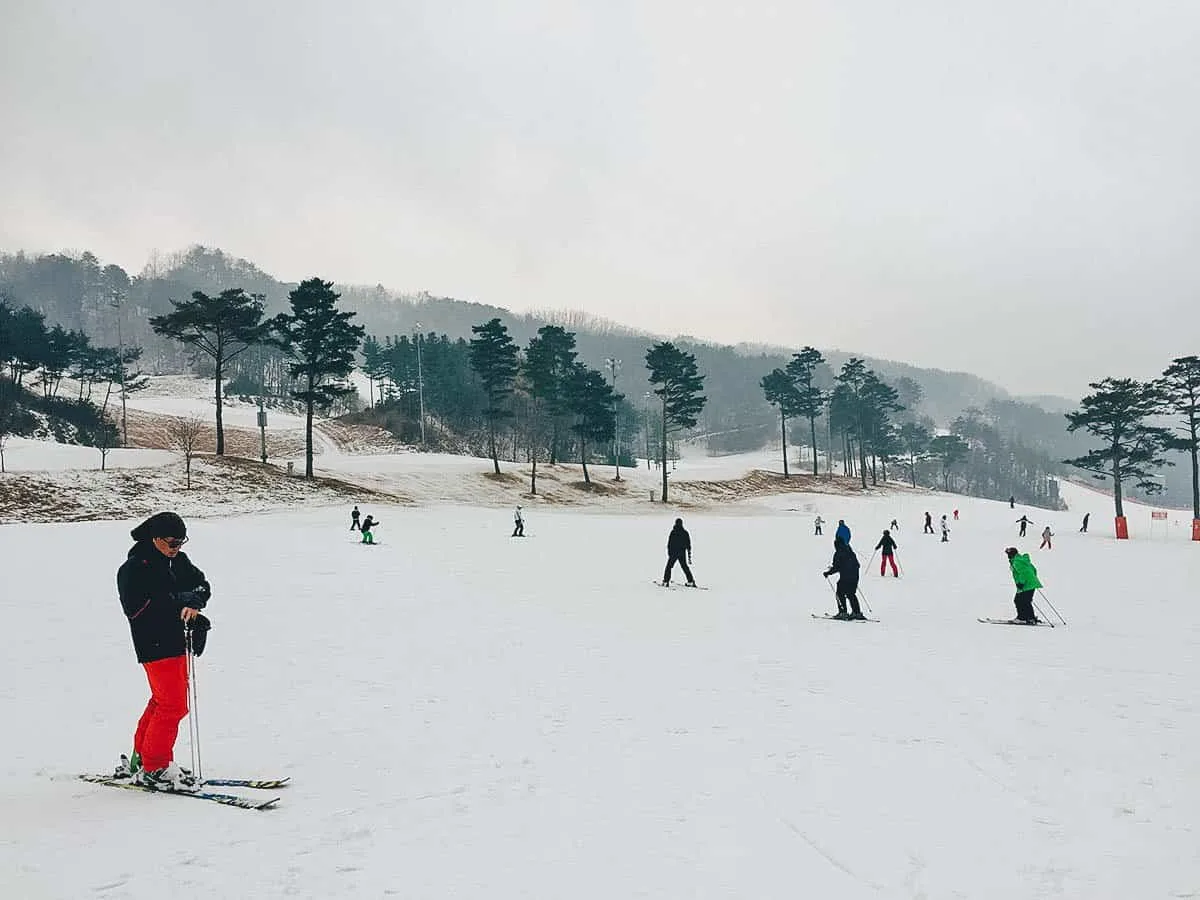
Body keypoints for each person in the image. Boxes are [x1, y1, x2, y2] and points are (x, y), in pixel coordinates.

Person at [115, 512, 211, 792]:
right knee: (173, 705)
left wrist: (195, 603)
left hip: (177, 640)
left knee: (162, 701)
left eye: (181, 542)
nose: (177, 547)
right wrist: (177, 601)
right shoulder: (134, 568)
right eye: (171, 542)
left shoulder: (178, 561)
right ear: (155, 538)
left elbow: (201, 584)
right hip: (154, 643)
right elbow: (138, 609)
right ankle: (155, 767)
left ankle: (140, 760)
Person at [823, 537, 864, 620]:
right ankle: (857, 612)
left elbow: (836, 567)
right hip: (855, 576)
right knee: (851, 594)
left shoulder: (838, 553)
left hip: (845, 577)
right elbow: (857, 565)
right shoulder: (850, 552)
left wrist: (828, 573)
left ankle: (843, 612)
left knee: (840, 593)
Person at [1004, 547, 1041, 624]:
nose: (1008, 556)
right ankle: (1030, 617)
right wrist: (1032, 579)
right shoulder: (1022, 560)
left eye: (1009, 554)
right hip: (1030, 583)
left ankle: (1022, 618)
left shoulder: (1017, 562)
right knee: (1025, 601)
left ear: (1012, 554)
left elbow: (1023, 573)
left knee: (1019, 601)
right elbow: (1034, 569)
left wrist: (1021, 582)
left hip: (1025, 584)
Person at [662, 518, 696, 587]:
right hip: (682, 553)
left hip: (674, 553)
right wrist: (689, 553)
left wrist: (669, 552)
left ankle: (666, 581)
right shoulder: (685, 532)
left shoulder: (673, 532)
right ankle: (690, 581)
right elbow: (688, 544)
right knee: (684, 567)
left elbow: (670, 543)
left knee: (669, 567)